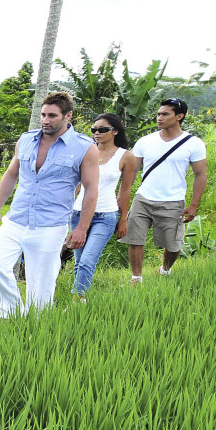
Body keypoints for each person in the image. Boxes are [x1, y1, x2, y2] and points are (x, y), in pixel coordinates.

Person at [0, 91, 98, 317]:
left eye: (52, 115)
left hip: (50, 225)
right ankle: (13, 316)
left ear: (68, 116)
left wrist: (82, 228)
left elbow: (91, 190)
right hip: (16, 219)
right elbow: (10, 175)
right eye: (43, 115)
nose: (45, 120)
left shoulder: (84, 147)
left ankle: (36, 329)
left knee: (40, 286)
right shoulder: (26, 140)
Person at [120, 97, 207, 281]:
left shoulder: (193, 143)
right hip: (143, 197)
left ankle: (165, 270)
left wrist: (193, 205)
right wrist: (123, 196)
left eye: (165, 114)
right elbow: (133, 170)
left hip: (173, 200)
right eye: (159, 114)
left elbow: (201, 174)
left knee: (174, 244)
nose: (159, 117)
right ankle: (136, 278)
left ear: (179, 116)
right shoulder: (145, 141)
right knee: (135, 238)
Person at [67, 113, 136, 297]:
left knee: (88, 260)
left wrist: (123, 220)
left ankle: (77, 298)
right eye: (94, 129)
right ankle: (80, 297)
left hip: (105, 215)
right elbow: (76, 185)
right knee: (79, 261)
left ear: (114, 131)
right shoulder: (86, 151)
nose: (97, 133)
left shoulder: (126, 156)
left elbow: (125, 190)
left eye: (102, 129)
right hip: (79, 213)